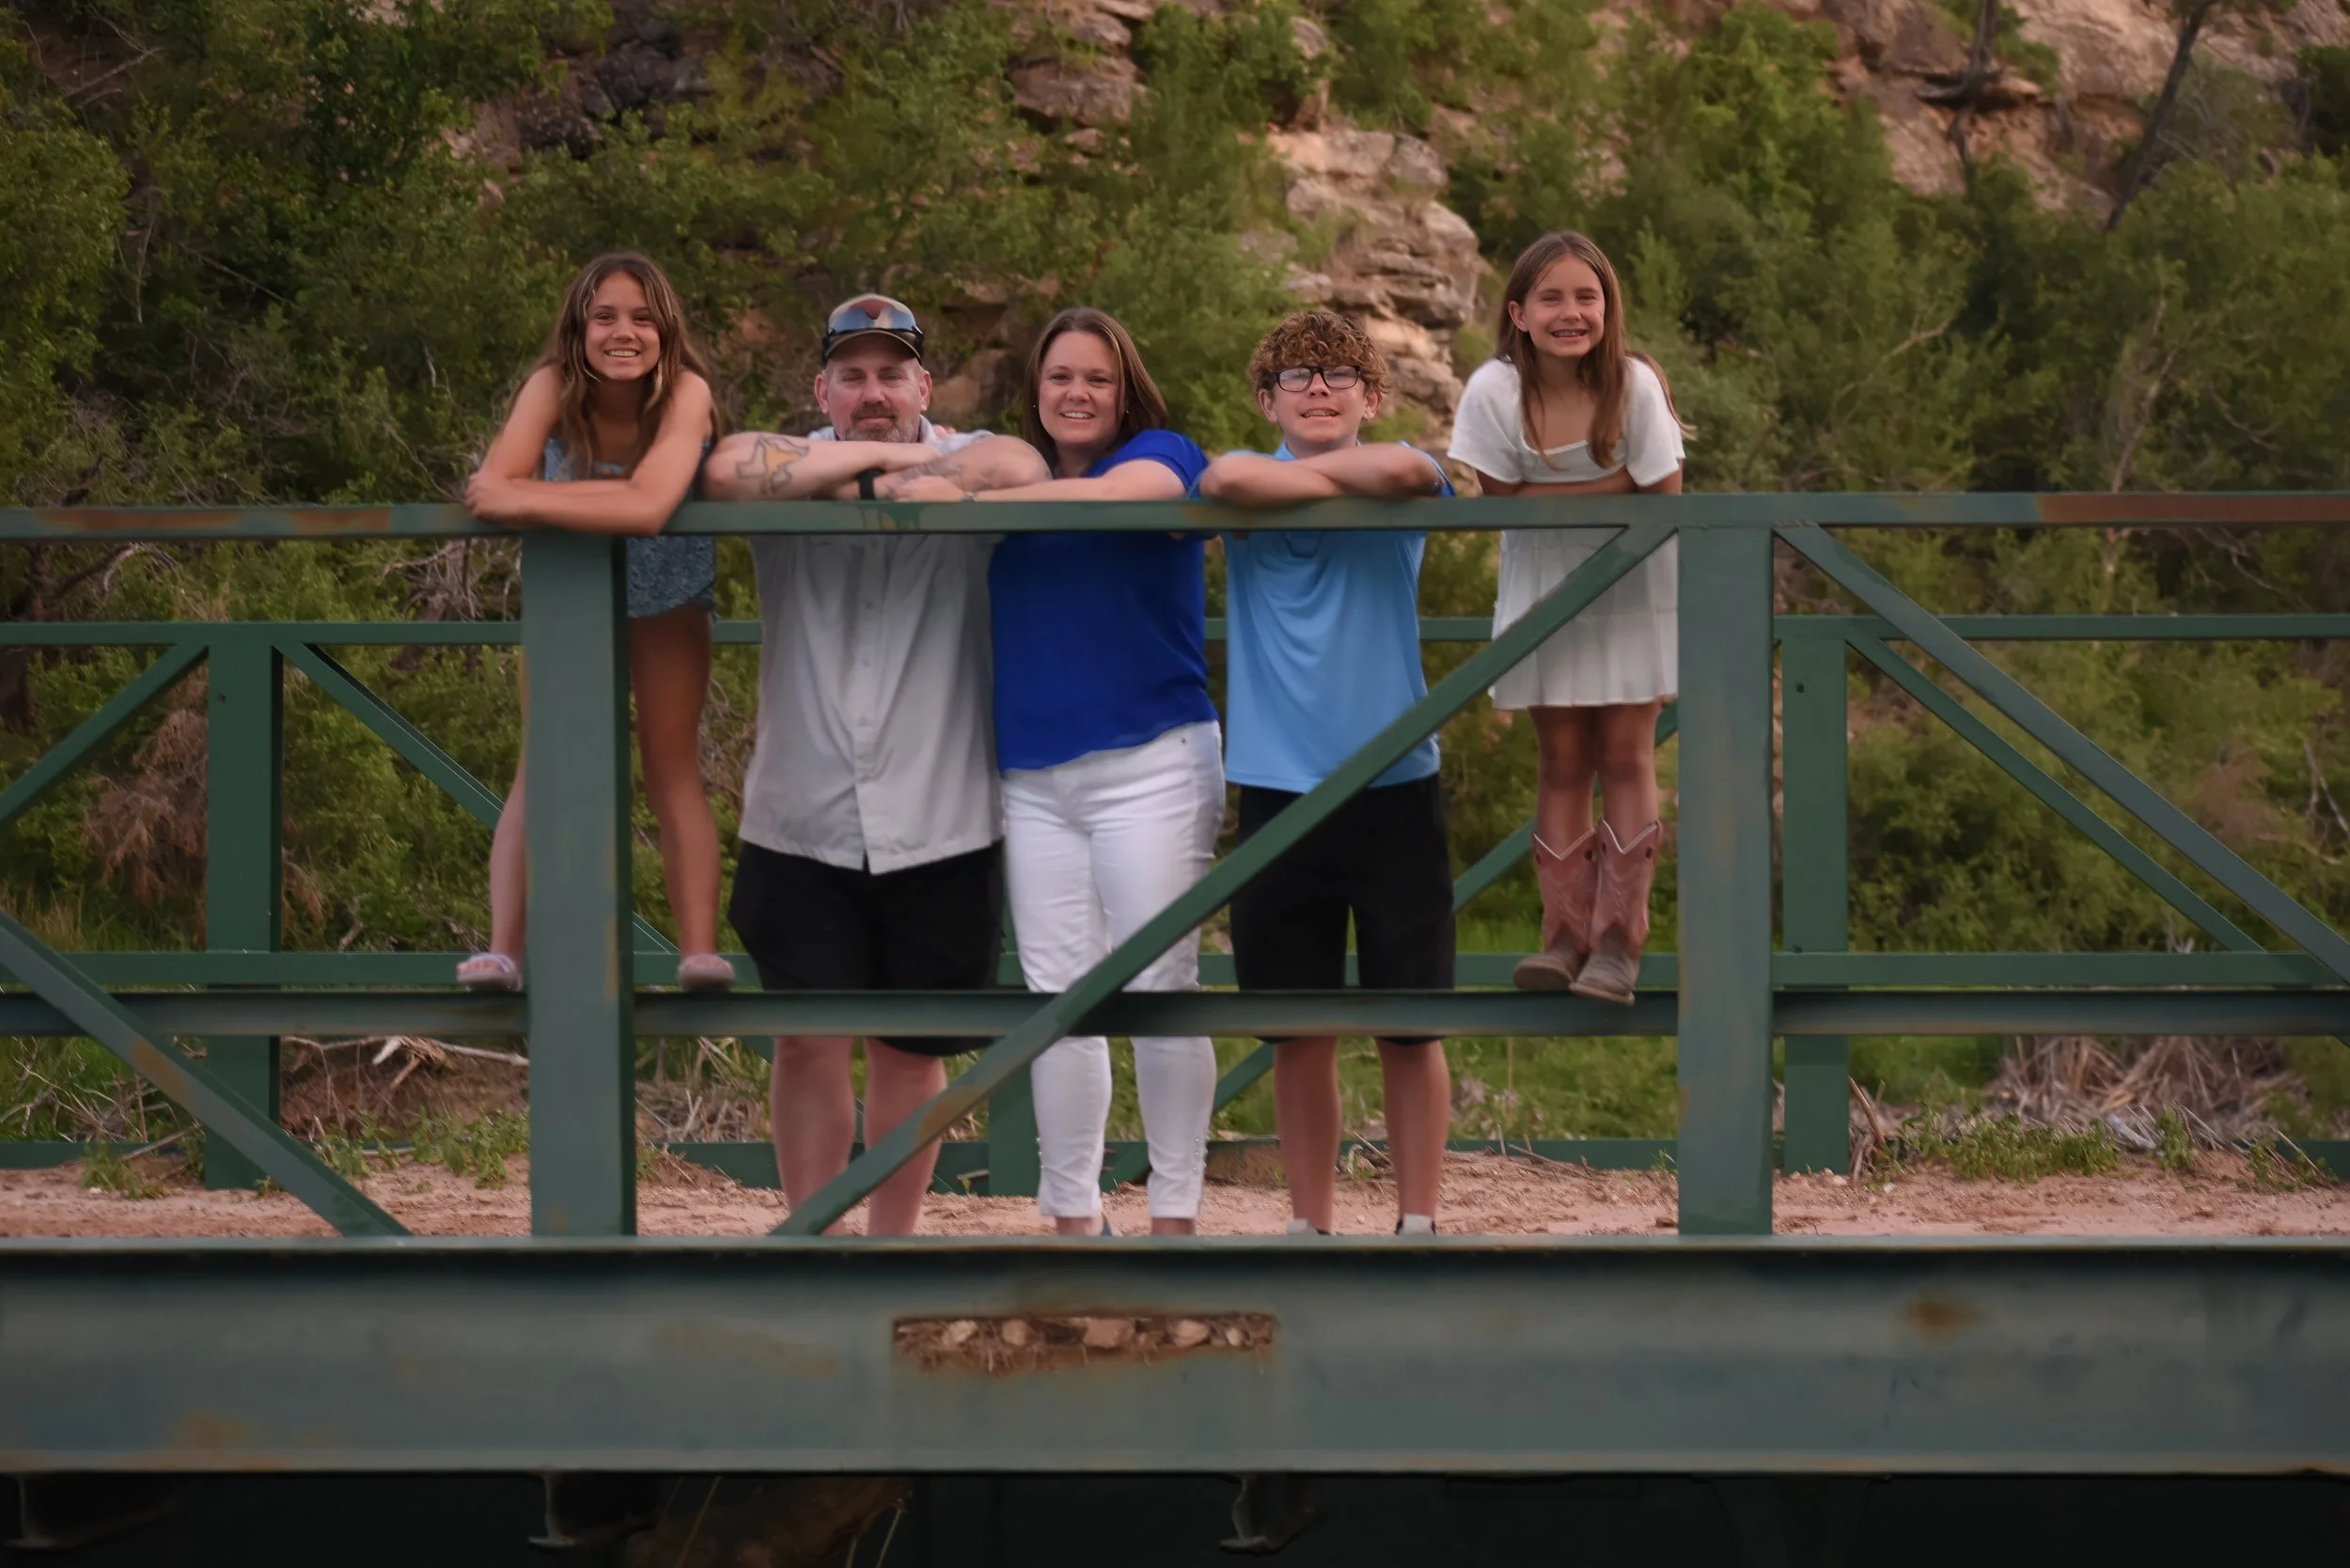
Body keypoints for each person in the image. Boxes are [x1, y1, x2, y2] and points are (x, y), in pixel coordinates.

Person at [697, 294, 1048, 1235]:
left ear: (924, 384)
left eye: (892, 374)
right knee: (806, 1042)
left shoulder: (973, 455)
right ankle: (810, 1238)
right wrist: (888, 468)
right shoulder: (791, 461)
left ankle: (892, 1244)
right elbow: (725, 468)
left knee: (911, 1050)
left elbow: (1023, 462)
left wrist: (907, 470)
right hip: (800, 812)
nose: (873, 392)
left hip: (941, 815)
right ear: (822, 388)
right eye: (852, 375)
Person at [892, 307, 1217, 1237]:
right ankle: (1073, 1213)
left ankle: (1175, 1212)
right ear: (1036, 392)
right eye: (1059, 378)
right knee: (1056, 997)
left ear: (1125, 392)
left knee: (1159, 985)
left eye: (1096, 378)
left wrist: (977, 501)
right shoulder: (1013, 468)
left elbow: (1137, 500)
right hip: (1032, 780)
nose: (1077, 393)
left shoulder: (1161, 451)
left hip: (1152, 763)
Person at [1197, 308, 1456, 1236]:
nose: (1316, 387)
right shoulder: (1236, 474)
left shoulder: (1400, 470)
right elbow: (1224, 474)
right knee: (1295, 1026)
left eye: (1338, 374)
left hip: (1394, 781)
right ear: (1265, 398)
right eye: (1296, 376)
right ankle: (1310, 1224)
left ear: (1372, 396)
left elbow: (1405, 470)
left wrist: (1284, 482)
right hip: (1276, 784)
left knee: (1410, 1019)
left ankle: (1416, 1219)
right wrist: (1272, 479)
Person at [458, 252, 736, 996]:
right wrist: (525, 493)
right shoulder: (551, 385)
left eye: (643, 318)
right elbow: (497, 474)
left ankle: (699, 954)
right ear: (578, 328)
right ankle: (503, 952)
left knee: (670, 762)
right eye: (605, 316)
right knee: (541, 760)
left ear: (667, 329)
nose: (624, 332)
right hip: (574, 582)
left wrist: (526, 500)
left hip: (669, 583)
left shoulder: (687, 393)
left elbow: (646, 507)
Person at [1448, 231, 1690, 1005]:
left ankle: (1621, 941)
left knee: (1625, 751)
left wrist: (1581, 495)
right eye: (1551, 298)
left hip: (1632, 579)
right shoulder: (1493, 389)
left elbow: (1665, 497)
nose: (1571, 312)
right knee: (1559, 760)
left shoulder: (1633, 384)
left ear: (1608, 307)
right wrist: (1613, 482)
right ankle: (1562, 938)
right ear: (1517, 312)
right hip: (1543, 582)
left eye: (1587, 297)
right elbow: (1502, 500)